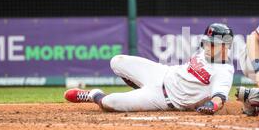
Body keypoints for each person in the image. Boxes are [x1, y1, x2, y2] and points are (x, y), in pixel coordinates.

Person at [64, 23, 235, 115]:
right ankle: (140, 90)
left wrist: (212, 106)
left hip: (163, 98)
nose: (207, 46)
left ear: (225, 47)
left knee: (109, 103)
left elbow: (220, 97)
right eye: (207, 42)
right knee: (117, 61)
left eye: (213, 44)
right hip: (162, 73)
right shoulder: (204, 52)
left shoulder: (223, 71)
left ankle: (93, 94)